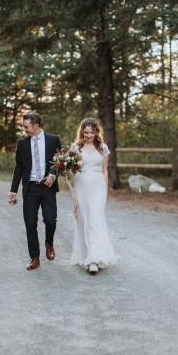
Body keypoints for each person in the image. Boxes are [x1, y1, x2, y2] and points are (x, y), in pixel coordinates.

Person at [9, 112, 62, 270]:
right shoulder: (22, 143)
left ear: (36, 126)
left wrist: (53, 175)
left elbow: (59, 162)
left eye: (26, 126)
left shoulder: (53, 139)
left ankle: (49, 243)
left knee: (50, 220)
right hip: (30, 187)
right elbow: (19, 167)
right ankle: (35, 257)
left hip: (48, 187)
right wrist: (13, 190)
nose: (24, 129)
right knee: (30, 223)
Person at [69, 117, 117, 274]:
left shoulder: (103, 148)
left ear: (97, 132)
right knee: (83, 219)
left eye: (91, 132)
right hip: (81, 186)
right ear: (82, 131)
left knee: (95, 219)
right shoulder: (76, 148)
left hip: (98, 187)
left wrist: (106, 191)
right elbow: (71, 171)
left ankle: (94, 260)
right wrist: (70, 166)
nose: (88, 135)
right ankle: (86, 255)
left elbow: (104, 171)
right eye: (85, 132)